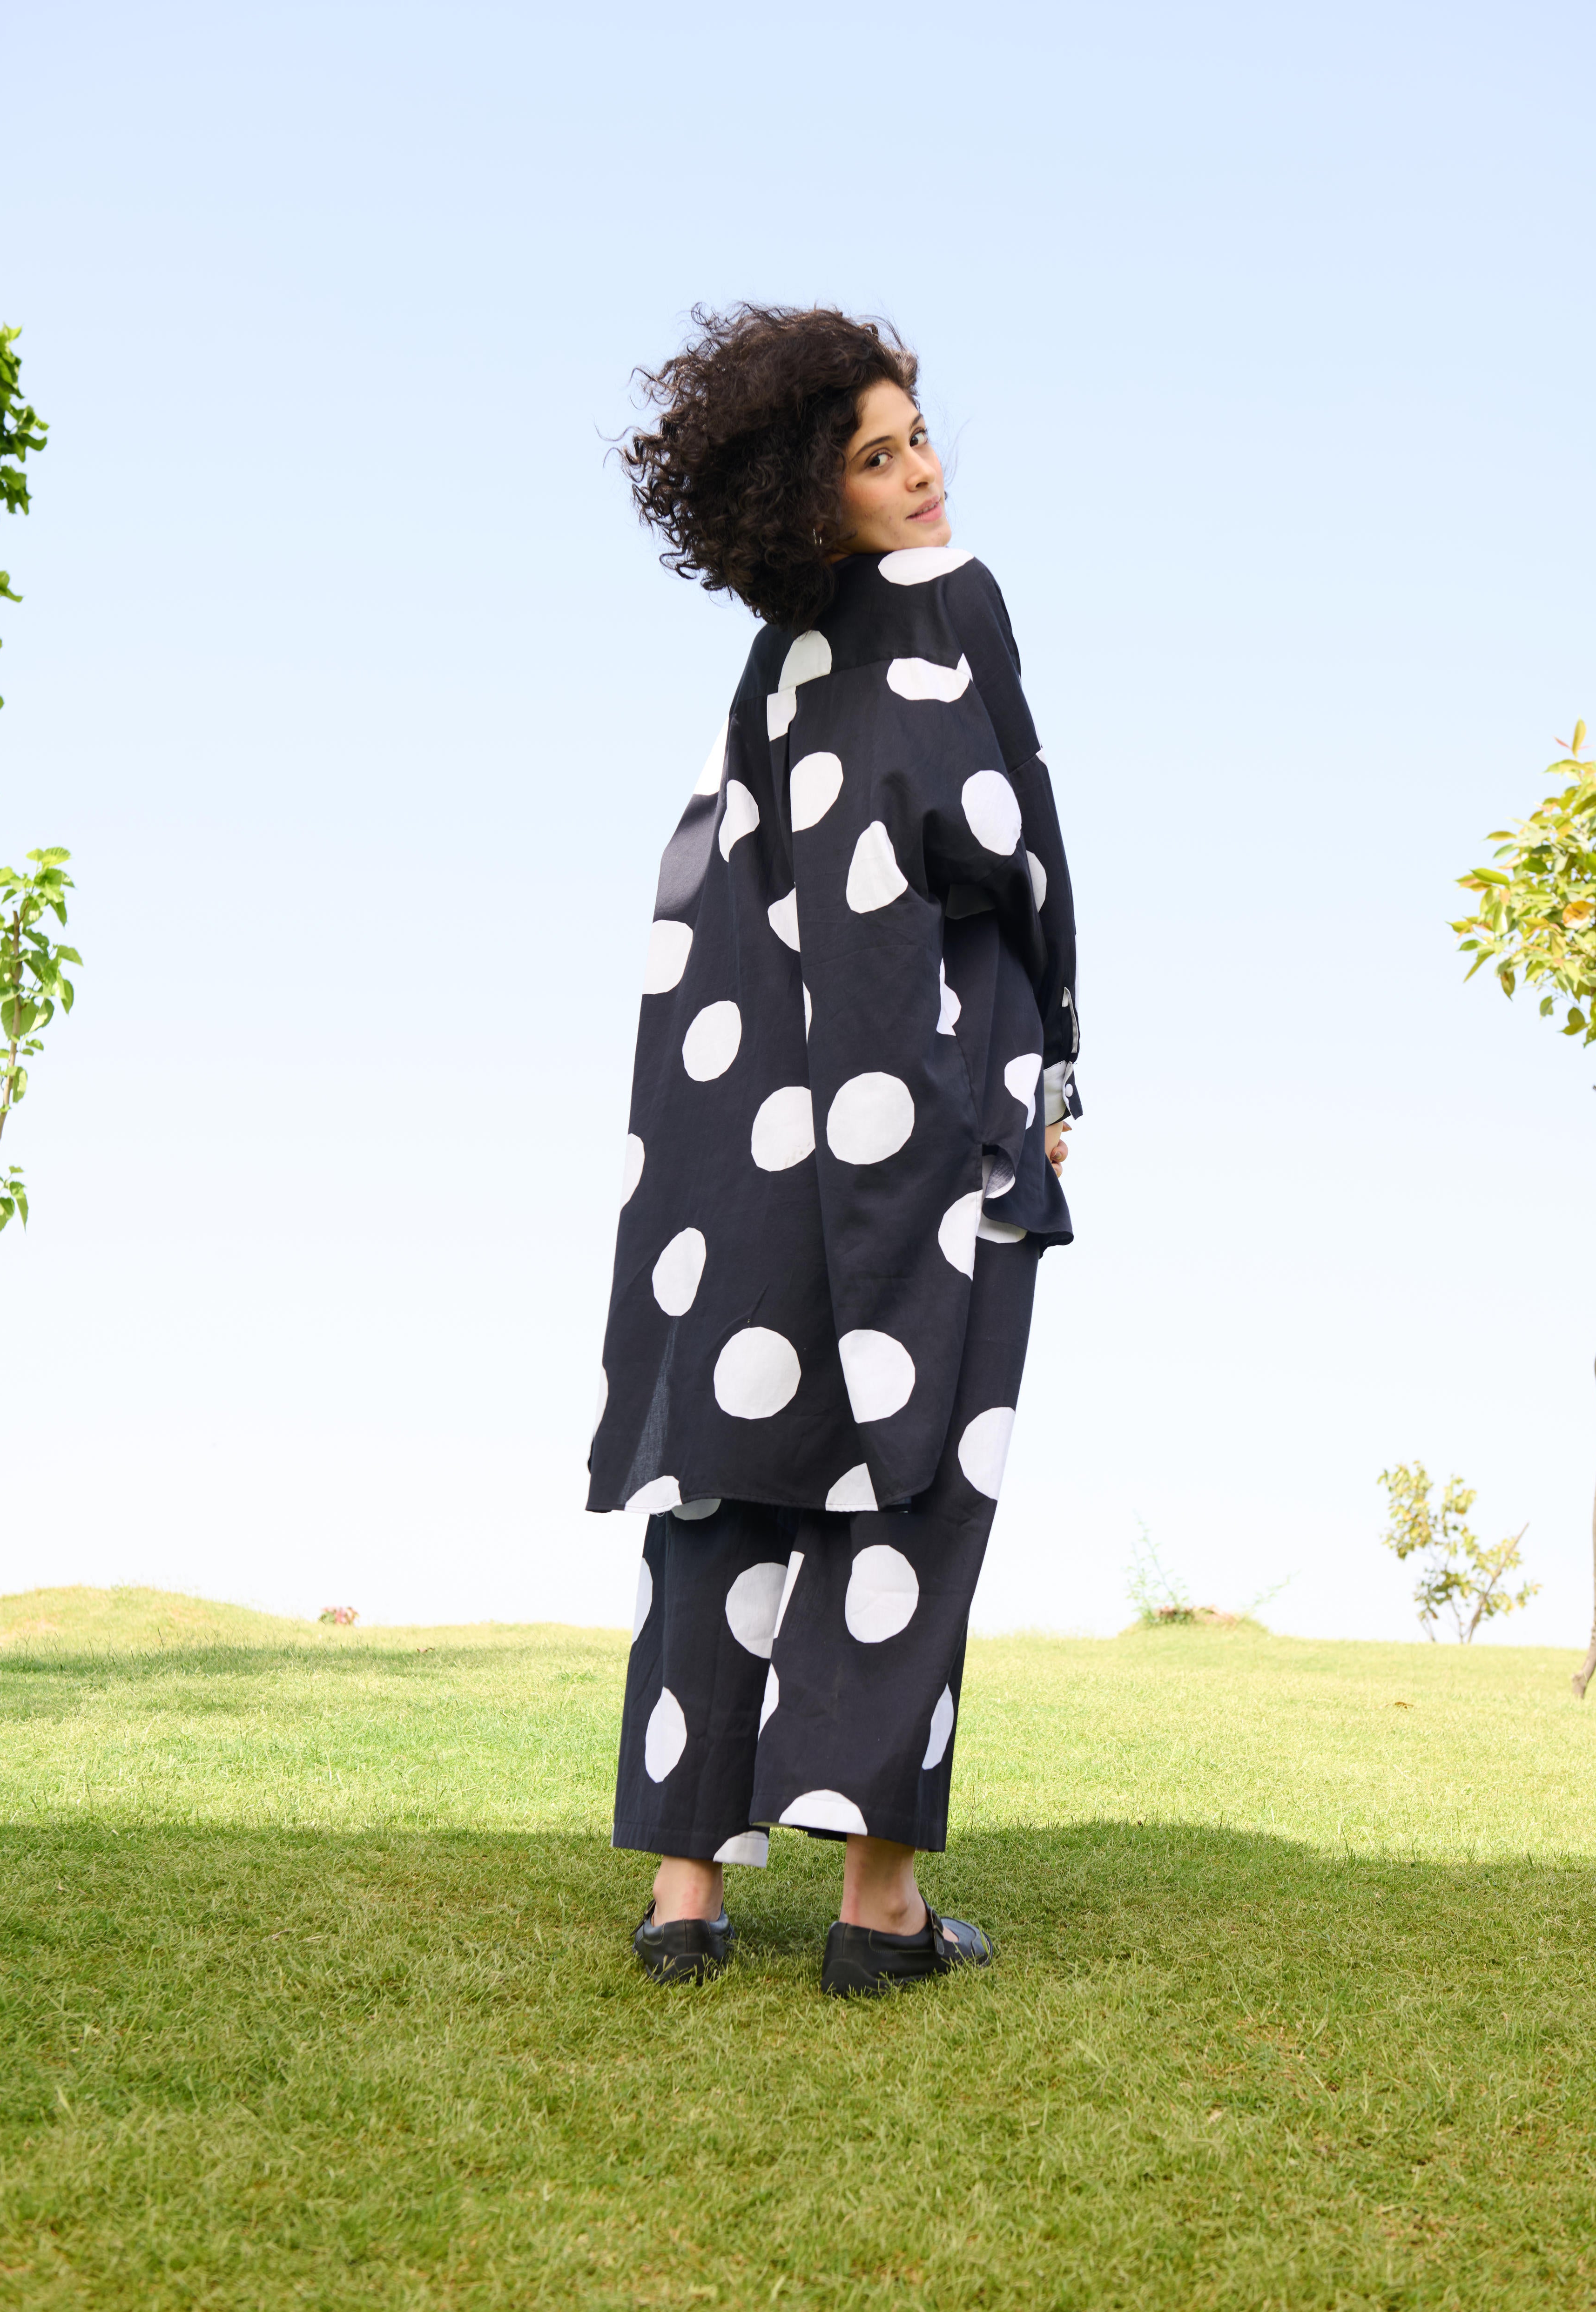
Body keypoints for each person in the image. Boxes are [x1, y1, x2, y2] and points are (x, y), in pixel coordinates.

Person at [588, 305, 1078, 1995]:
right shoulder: (952, 601)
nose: (921, 470)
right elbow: (1002, 846)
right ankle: (876, 1912)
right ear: (813, 494)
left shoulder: (768, 667)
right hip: (924, 1099)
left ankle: (686, 1895)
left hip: (744, 1122)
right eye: (876, 456)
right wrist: (1041, 1077)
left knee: (729, 1466)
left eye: (915, 432)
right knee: (918, 1463)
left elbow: (717, 884)